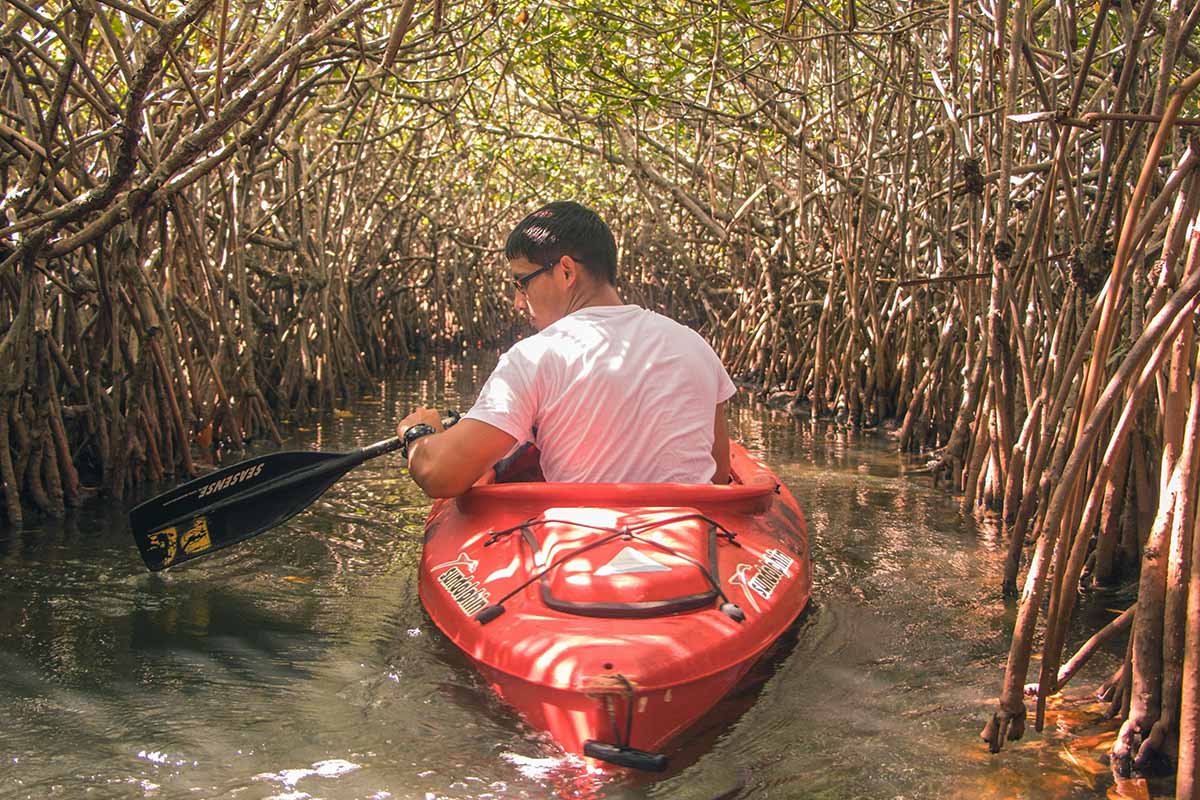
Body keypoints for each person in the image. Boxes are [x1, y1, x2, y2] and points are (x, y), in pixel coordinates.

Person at [396, 201, 735, 497]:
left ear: (567, 271)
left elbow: (440, 476)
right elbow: (719, 475)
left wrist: (419, 432)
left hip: (583, 551)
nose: (517, 302)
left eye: (520, 282)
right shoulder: (694, 345)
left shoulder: (534, 357)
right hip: (691, 542)